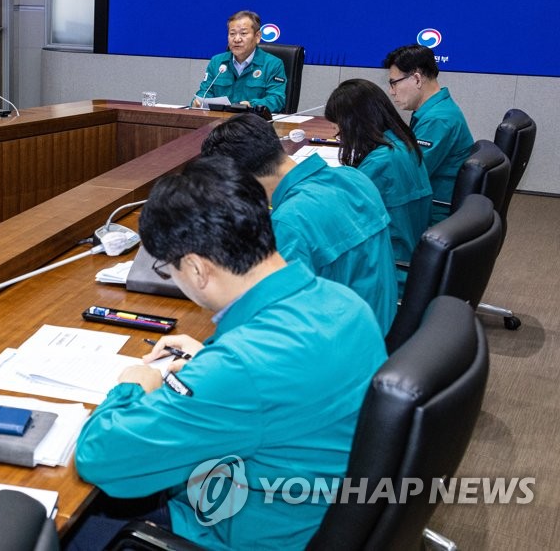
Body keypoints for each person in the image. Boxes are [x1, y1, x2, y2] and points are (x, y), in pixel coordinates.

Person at [73, 155, 387, 550]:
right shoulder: (345, 303)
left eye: (168, 270)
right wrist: (208, 360)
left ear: (197, 269)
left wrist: (133, 383)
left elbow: (101, 456)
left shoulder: (241, 367)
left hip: (235, 531)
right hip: (312, 509)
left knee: (62, 526)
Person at [201, 113, 397, 335]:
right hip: (381, 331)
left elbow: (273, 323)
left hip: (341, 351)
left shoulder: (289, 222)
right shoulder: (355, 178)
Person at [326, 78, 433, 296]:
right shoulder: (402, 144)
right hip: (409, 260)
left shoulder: (380, 164)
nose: (341, 137)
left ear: (355, 123)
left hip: (389, 273)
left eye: (341, 130)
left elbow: (341, 222)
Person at [383, 44, 473, 225]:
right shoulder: (437, 110)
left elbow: (408, 177)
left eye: (394, 83)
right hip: (431, 204)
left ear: (417, 79)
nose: (391, 91)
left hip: (433, 214)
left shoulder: (438, 120)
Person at [192, 10, 286, 113]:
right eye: (232, 34)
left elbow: (277, 99)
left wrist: (251, 105)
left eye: (243, 33)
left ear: (257, 36)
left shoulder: (273, 64)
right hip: (220, 123)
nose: (236, 39)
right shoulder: (217, 62)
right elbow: (205, 92)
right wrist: (197, 102)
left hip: (253, 123)